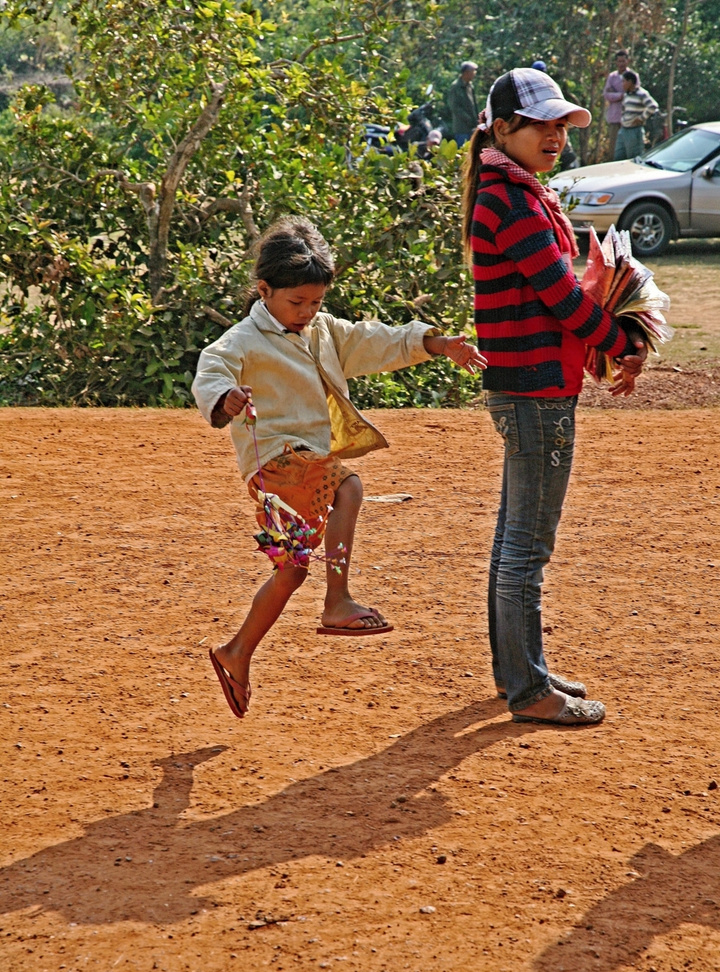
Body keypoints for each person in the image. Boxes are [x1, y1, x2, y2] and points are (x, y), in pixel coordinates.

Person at [192, 216, 486, 719]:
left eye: (316, 302)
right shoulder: (243, 340)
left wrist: (438, 343)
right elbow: (211, 367)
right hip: (276, 463)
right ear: (263, 290)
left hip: (302, 463)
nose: (307, 312)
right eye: (296, 302)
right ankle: (339, 601)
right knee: (348, 486)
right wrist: (226, 397)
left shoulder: (322, 331)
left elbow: (377, 340)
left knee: (291, 570)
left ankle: (235, 653)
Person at [461, 67, 648, 725]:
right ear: (503, 128)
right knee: (526, 547)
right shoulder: (509, 201)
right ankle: (528, 689)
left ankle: (519, 671)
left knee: (515, 538)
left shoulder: (511, 192)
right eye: (541, 125)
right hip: (535, 391)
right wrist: (619, 339)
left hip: (529, 387)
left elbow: (555, 292)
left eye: (560, 126)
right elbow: (561, 296)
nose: (554, 136)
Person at [614, 69, 659, 160]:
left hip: (634, 130)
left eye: (624, 81)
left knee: (633, 158)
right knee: (619, 156)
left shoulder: (641, 94)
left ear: (630, 82)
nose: (622, 84)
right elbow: (624, 110)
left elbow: (653, 106)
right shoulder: (627, 95)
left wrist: (641, 118)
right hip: (624, 130)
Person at [603, 48, 631, 159]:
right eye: (619, 61)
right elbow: (606, 94)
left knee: (627, 147)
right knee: (614, 147)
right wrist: (620, 95)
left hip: (629, 118)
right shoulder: (612, 77)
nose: (621, 64)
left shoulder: (632, 76)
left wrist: (615, 93)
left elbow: (632, 93)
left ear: (627, 61)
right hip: (615, 117)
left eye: (623, 61)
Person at [447, 61, 479, 147]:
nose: (474, 74)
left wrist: (477, 120)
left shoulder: (470, 86)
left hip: (472, 126)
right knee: (462, 150)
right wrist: (468, 119)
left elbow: (474, 105)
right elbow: (455, 107)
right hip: (461, 128)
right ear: (466, 72)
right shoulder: (456, 86)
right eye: (473, 71)